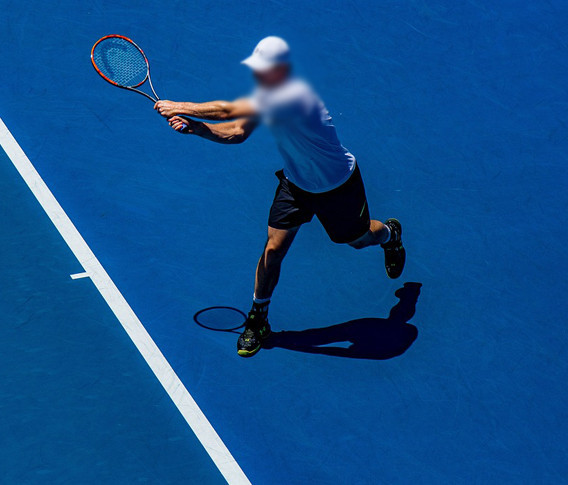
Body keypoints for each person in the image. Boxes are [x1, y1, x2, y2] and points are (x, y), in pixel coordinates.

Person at [154, 36, 405, 358]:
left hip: (338, 186)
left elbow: (228, 110)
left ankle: (389, 234)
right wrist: (197, 129)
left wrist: (181, 106)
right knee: (273, 250)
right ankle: (258, 318)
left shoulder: (298, 98)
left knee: (356, 240)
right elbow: (236, 131)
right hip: (296, 185)